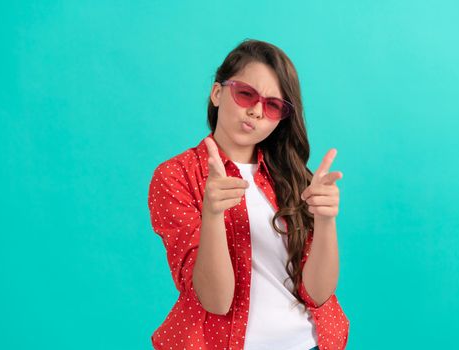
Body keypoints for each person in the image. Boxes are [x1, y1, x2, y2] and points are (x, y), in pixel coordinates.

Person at [148, 39, 349, 350]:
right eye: (245, 94)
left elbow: (319, 293)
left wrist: (325, 221)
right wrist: (213, 215)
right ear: (217, 93)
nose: (256, 111)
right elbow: (215, 300)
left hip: (307, 343)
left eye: (272, 105)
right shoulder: (176, 176)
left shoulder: (293, 177)